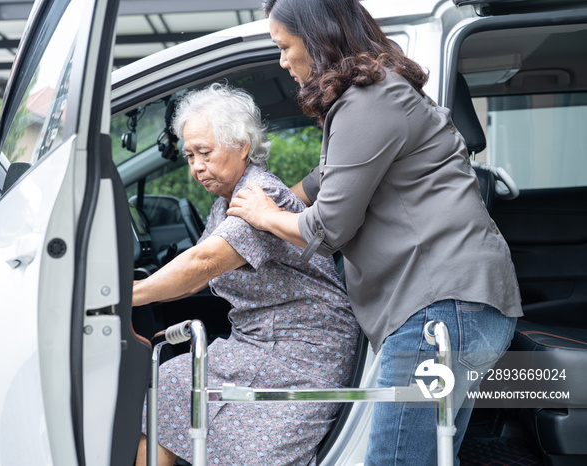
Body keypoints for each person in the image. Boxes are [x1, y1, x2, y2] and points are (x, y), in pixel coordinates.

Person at [226, 1, 523, 465]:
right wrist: (272, 197)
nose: (282, 61)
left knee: (398, 460)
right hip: (459, 308)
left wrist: (265, 215)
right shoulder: (377, 94)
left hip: (439, 311)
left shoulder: (368, 101)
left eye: (284, 47)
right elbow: (325, 180)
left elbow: (329, 225)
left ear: (319, 36)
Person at [133, 82, 359, 466]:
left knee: (174, 384)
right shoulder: (226, 203)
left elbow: (204, 263)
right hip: (260, 344)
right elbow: (200, 277)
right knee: (172, 384)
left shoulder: (257, 195)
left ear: (241, 145)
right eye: (189, 156)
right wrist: (144, 293)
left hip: (303, 350)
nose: (196, 166)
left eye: (204, 152)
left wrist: (123, 295)